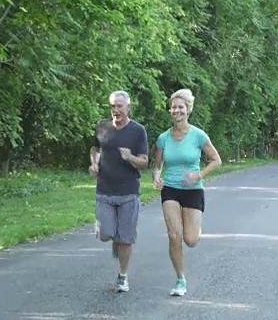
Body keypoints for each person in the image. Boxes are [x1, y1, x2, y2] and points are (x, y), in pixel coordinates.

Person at [152, 88, 222, 296]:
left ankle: (196, 229)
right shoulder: (163, 138)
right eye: (173, 107)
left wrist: (198, 175)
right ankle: (180, 279)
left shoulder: (198, 135)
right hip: (171, 189)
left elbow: (217, 161)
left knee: (190, 240)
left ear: (188, 110)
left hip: (193, 190)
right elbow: (157, 165)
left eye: (180, 107)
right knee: (174, 236)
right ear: (170, 111)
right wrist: (156, 176)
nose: (176, 110)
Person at [89, 90, 149, 293]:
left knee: (126, 238)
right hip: (104, 190)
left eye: (119, 106)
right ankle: (116, 238)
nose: (116, 110)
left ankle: (122, 277)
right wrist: (93, 164)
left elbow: (144, 163)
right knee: (106, 234)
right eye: (113, 106)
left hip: (129, 192)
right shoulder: (102, 127)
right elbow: (95, 149)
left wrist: (131, 157)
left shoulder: (138, 131)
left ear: (128, 107)